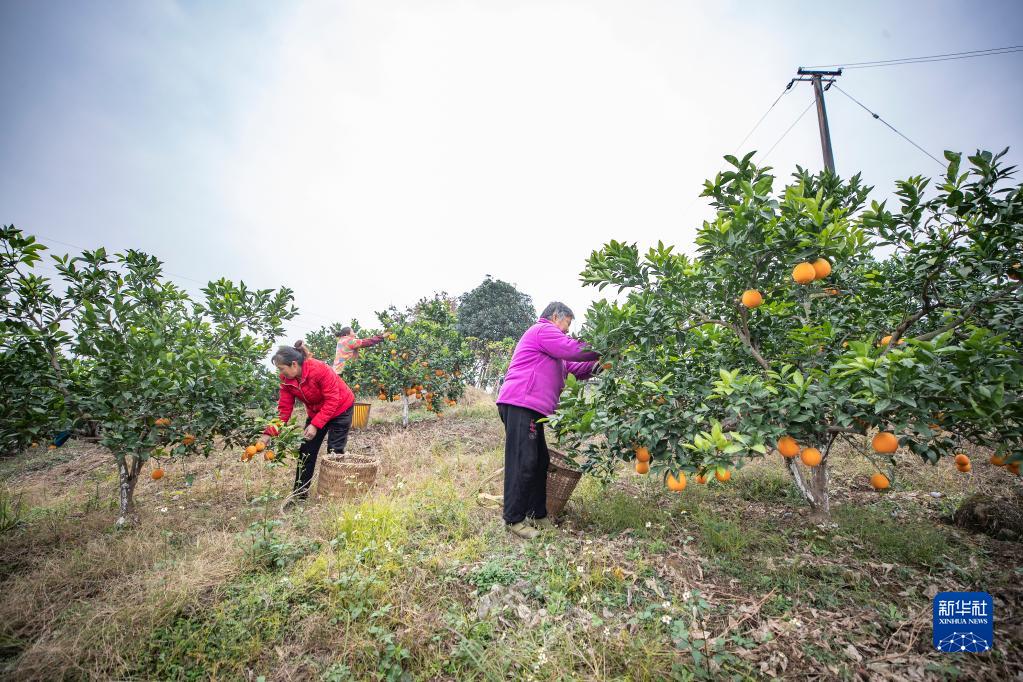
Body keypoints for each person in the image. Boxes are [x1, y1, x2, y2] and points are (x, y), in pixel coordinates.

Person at [496, 302, 600, 539]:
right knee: (524, 460)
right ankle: (513, 519)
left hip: (533, 408)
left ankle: (537, 513)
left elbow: (579, 367)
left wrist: (602, 362)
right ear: (555, 316)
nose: (567, 331)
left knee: (540, 461)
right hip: (521, 402)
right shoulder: (542, 330)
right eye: (567, 325)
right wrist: (600, 345)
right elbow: (573, 349)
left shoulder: (556, 352)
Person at [262, 344, 356, 500]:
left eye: (281, 368)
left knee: (334, 451)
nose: (281, 372)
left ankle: (337, 495)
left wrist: (315, 424)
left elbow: (333, 399)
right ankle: (299, 496)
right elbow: (284, 409)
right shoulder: (286, 379)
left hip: (341, 408)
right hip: (317, 412)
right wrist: (268, 433)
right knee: (306, 452)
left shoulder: (319, 369)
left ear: (293, 364)